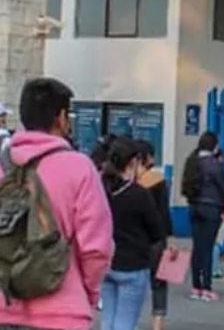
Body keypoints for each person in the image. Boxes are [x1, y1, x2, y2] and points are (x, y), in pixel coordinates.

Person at [0, 78, 113, 330]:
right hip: (61, 312)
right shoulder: (80, 168)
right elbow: (96, 249)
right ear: (61, 118)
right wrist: (88, 293)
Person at [100, 137, 166, 330]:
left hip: (105, 262)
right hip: (133, 266)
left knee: (108, 321)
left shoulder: (101, 189)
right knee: (125, 324)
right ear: (133, 162)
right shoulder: (139, 194)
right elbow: (157, 231)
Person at [181, 131, 224, 302]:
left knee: (197, 247)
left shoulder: (191, 162)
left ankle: (196, 287)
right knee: (208, 248)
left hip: (194, 207)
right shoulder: (215, 165)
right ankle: (207, 288)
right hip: (211, 208)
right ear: (214, 146)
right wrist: (223, 206)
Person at [135, 140, 173, 330]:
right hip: (156, 240)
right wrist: (170, 239)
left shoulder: (129, 183)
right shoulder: (158, 180)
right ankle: (157, 325)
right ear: (147, 157)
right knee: (159, 283)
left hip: (135, 240)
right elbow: (164, 213)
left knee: (134, 282)